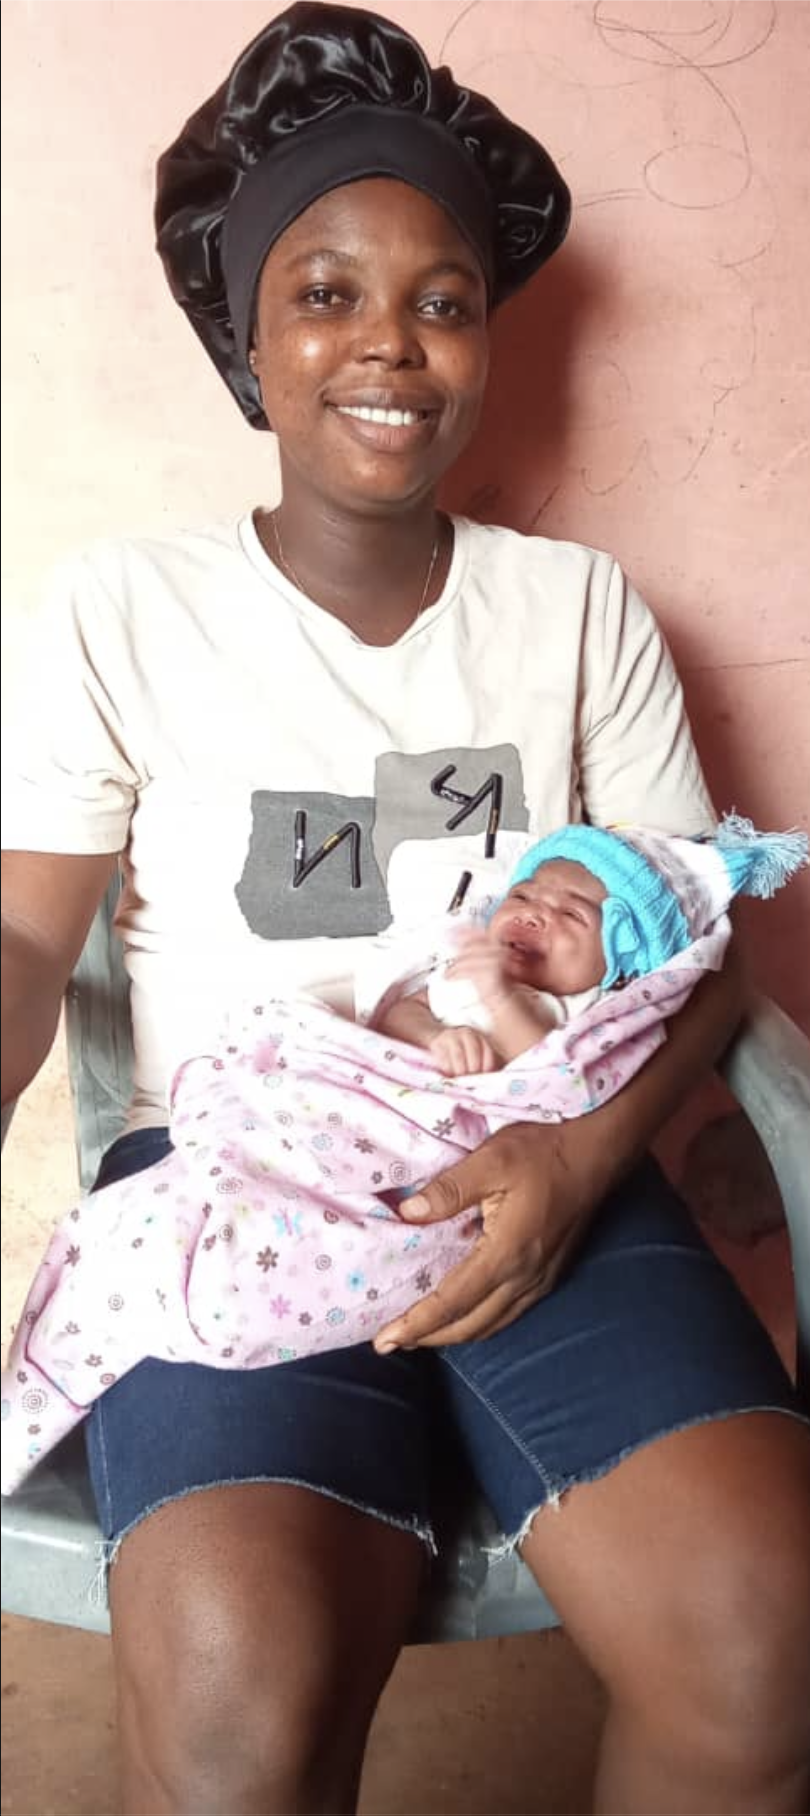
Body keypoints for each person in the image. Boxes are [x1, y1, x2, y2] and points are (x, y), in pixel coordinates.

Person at [2, 4, 809, 1809]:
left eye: (443, 300)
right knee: (238, 1726)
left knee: (762, 1647)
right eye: (326, 293)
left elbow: (702, 948)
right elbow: (25, 936)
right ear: (248, 333)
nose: (388, 341)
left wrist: (576, 1168)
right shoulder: (125, 608)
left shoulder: (577, 611)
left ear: (488, 339)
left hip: (537, 1153)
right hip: (241, 1184)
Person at [7, 813, 804, 1496]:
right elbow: (398, 1010)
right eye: (527, 893)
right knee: (150, 1225)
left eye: (574, 912)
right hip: (346, 1102)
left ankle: (193, 1281)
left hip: (484, 1163)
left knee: (239, 1267)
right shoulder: (462, 958)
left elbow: (556, 1079)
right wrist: (435, 1028)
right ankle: (57, 1361)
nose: (536, 912)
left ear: (627, 954)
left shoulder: (586, 1017)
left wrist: (500, 1004)